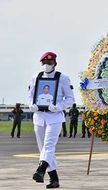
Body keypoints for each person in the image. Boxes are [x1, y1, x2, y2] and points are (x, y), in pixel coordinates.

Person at [28, 51, 74, 188]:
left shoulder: (63, 78)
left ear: (55, 63)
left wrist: (59, 106)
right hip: (39, 117)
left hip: (55, 117)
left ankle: (40, 170)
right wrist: (32, 105)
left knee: (48, 146)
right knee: (43, 149)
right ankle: (54, 179)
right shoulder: (36, 77)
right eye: (45, 63)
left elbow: (70, 99)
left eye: (50, 62)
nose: (47, 65)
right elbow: (30, 95)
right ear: (41, 63)